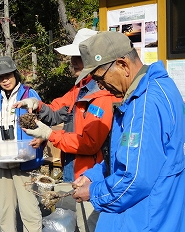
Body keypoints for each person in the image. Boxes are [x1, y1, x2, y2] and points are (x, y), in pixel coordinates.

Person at [71, 31, 185, 232]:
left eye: (100, 78)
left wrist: (94, 192)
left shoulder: (144, 105)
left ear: (123, 65)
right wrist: (94, 174)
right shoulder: (157, 86)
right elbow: (129, 157)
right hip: (160, 213)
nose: (101, 87)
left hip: (144, 220)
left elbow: (134, 180)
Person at [13, 28, 120, 232]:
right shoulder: (79, 89)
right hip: (73, 172)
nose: (73, 62)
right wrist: (37, 105)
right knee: (76, 224)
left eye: (78, 57)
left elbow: (89, 144)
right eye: (72, 57)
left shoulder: (102, 97)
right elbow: (56, 110)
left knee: (89, 224)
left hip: (90, 176)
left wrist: (50, 135)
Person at [0, 56, 44, 232]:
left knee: (29, 210)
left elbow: (44, 121)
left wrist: (40, 139)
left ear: (15, 74)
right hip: (2, 158)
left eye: (8, 75)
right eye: (0, 77)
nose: (5, 80)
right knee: (5, 210)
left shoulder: (29, 94)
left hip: (25, 159)